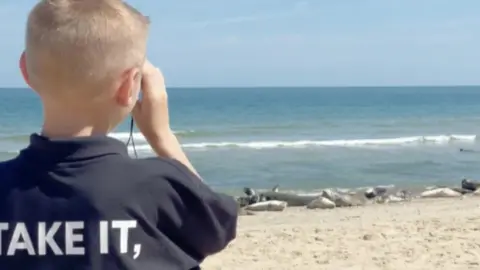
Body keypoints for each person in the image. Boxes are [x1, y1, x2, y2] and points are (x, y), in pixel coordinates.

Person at [0, 0, 238, 269]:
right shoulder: (157, 186)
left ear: (25, 71)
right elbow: (218, 226)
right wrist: (162, 138)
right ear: (129, 86)